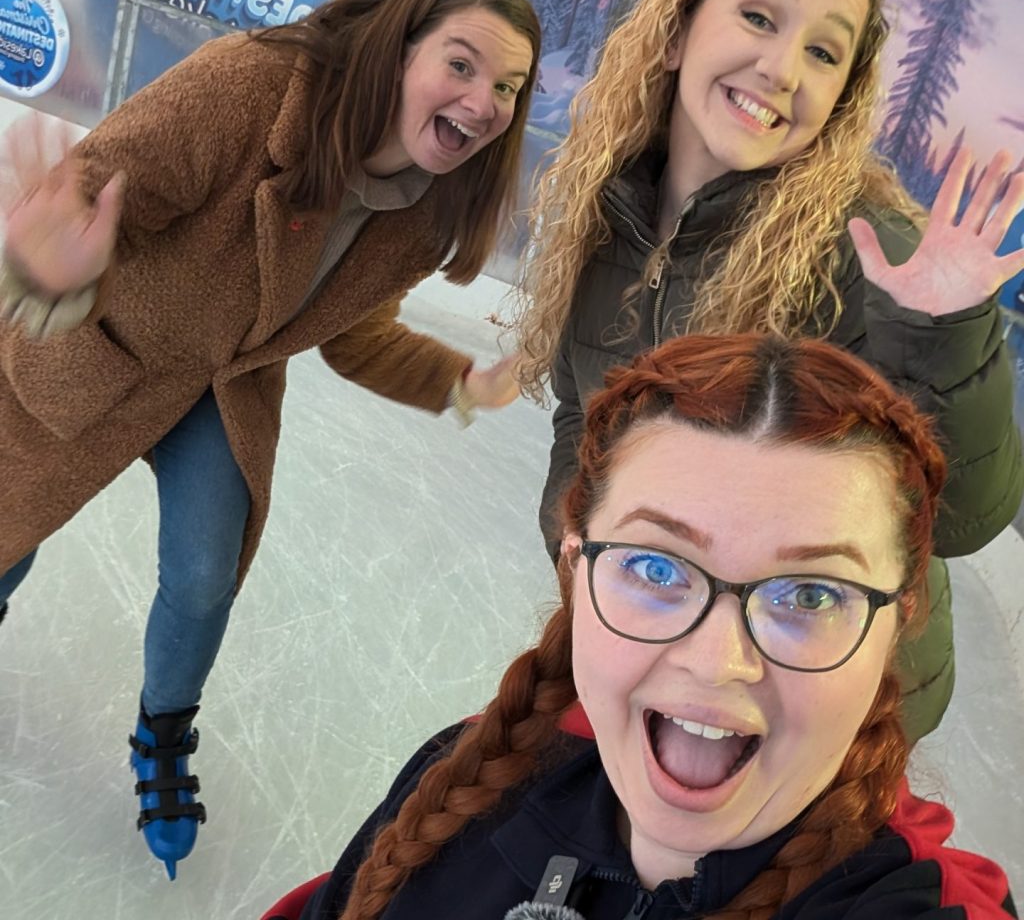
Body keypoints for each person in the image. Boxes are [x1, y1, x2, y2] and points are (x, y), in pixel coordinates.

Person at [0, 0, 540, 877]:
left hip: (223, 385)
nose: (483, 102)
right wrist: (46, 271)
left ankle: (163, 733)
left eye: (508, 87)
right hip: (105, 342)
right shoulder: (251, 86)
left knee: (208, 571)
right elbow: (97, 194)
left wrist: (462, 382)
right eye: (461, 65)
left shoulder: (423, 214)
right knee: (12, 519)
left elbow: (350, 332)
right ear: (396, 48)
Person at [283, 334, 1017, 920]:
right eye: (659, 570)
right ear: (576, 565)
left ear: (900, 620)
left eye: (811, 594)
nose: (716, 661)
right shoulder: (468, 773)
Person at [513, 0, 1024, 745]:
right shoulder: (611, 214)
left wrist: (946, 334)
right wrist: (578, 540)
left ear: (839, 98)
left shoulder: (870, 257)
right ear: (678, 33)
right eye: (758, 16)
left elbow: (961, 518)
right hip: (666, 649)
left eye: (823, 53)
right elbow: (585, 416)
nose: (783, 68)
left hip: (820, 698)